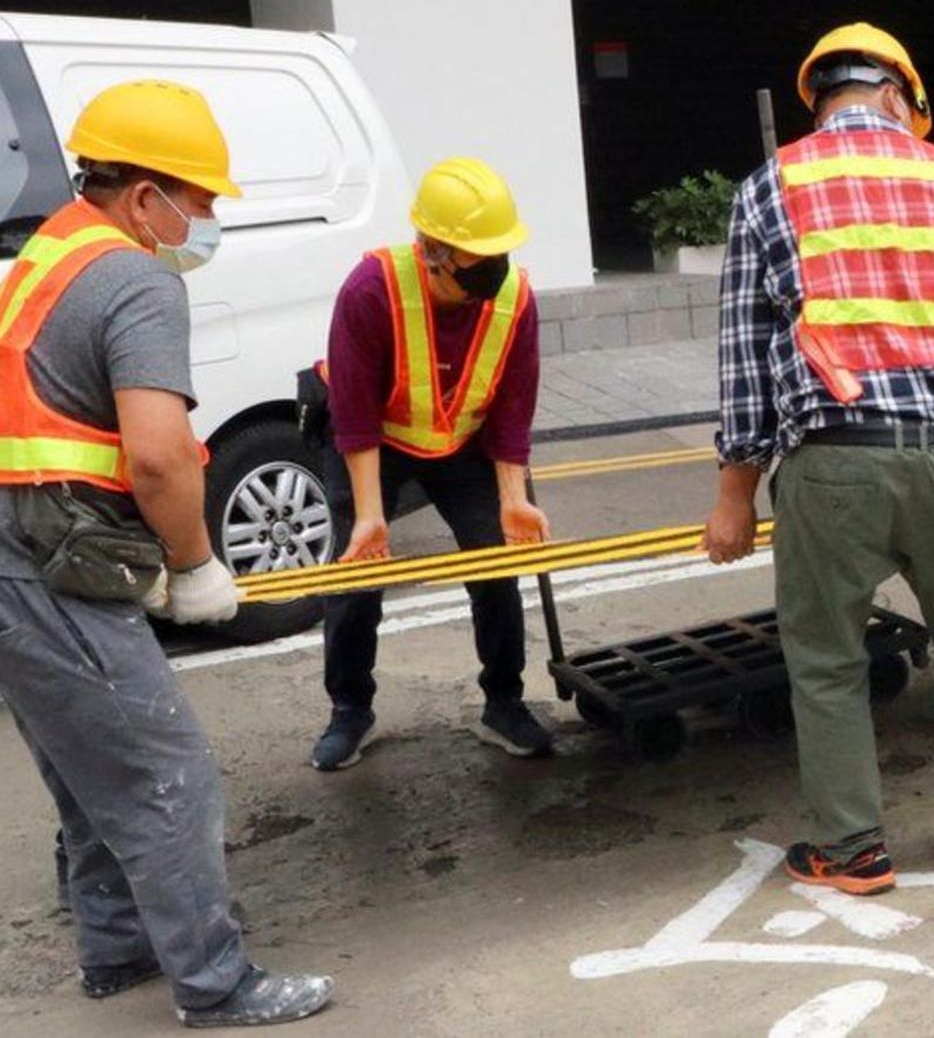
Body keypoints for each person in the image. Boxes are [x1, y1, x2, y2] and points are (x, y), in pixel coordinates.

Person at [0, 79, 331, 1026]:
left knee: (89, 764)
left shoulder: (46, 252)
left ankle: (117, 950)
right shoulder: (137, 276)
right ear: (146, 196)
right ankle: (216, 982)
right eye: (202, 197)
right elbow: (155, 454)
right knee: (165, 767)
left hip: (18, 552)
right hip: (51, 562)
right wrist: (195, 565)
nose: (210, 218)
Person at [703, 22, 934, 894]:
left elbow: (747, 349)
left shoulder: (773, 184)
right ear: (895, 94)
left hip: (837, 459)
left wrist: (735, 492)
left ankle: (852, 851)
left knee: (828, 660)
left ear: (820, 99)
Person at [310, 157, 553, 770]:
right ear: (431, 252)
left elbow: (512, 406)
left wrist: (512, 497)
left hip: (465, 443)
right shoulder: (371, 289)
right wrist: (370, 515)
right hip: (377, 441)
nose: (488, 284)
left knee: (496, 562)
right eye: (475, 270)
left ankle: (504, 702)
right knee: (357, 574)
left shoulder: (513, 297)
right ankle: (350, 709)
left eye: (496, 264)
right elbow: (355, 413)